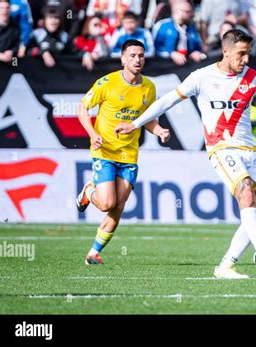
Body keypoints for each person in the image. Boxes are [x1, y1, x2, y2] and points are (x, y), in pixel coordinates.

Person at [115, 29, 256, 279]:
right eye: (241, 54)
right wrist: (135, 124)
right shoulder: (201, 77)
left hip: (251, 150)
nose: (246, 60)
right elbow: (166, 101)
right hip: (221, 148)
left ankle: (225, 266)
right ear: (226, 51)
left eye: (248, 54)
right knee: (244, 190)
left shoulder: (253, 78)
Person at [76, 39, 170, 265]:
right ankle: (89, 191)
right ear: (123, 58)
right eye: (133, 56)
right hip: (105, 150)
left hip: (129, 155)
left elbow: (146, 119)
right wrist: (92, 133)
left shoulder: (149, 86)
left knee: (118, 206)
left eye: (141, 56)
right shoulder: (107, 83)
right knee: (108, 203)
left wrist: (158, 131)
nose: (137, 60)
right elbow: (82, 108)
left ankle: (93, 252)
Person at [152, 0, 205, 65]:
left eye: (192, 11)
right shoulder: (162, 26)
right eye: (187, 12)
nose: (192, 14)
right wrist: (171, 54)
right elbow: (154, 48)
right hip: (164, 66)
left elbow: (198, 46)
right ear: (178, 12)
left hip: (187, 66)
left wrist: (197, 53)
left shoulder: (192, 28)